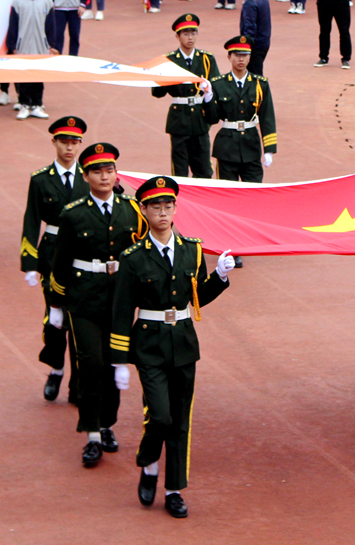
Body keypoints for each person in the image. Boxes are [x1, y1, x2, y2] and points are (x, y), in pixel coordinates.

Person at [110, 176, 234, 519]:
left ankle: (174, 488)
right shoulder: (133, 257)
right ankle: (149, 463)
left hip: (182, 342)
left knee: (180, 420)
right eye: (155, 207)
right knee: (160, 415)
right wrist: (119, 360)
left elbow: (197, 300)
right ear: (144, 210)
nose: (163, 212)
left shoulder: (192, 249)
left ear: (176, 209)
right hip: (148, 344)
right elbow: (122, 311)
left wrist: (219, 278)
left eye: (168, 206)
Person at [50, 143, 145, 468]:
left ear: (116, 174)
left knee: (113, 365)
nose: (104, 176)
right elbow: (60, 262)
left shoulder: (131, 210)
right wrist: (56, 304)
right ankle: (91, 434)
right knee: (90, 365)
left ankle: (107, 425)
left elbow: (142, 252)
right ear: (86, 176)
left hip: (119, 300)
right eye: (97, 171)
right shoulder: (73, 213)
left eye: (109, 170)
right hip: (84, 298)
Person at [21, 116, 90, 404]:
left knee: (79, 322)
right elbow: (31, 219)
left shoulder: (90, 176)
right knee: (55, 320)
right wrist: (29, 262)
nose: (70, 148)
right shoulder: (40, 179)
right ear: (54, 142)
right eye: (64, 142)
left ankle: (76, 383)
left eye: (75, 142)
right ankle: (57, 369)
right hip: (51, 255)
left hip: (82, 256)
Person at [203, 36, 277, 185]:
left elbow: (267, 117)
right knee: (227, 194)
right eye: (237, 55)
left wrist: (269, 149)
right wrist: (208, 96)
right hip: (226, 148)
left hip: (251, 145)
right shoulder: (218, 84)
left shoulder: (260, 84)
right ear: (229, 57)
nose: (241, 59)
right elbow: (212, 118)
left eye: (244, 55)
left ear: (250, 57)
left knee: (254, 193)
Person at [152, 14, 219, 178]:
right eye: (186, 34)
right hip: (179, 119)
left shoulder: (206, 58)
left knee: (203, 170)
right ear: (177, 36)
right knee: (180, 171)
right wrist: (163, 76)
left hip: (199, 118)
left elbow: (216, 87)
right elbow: (157, 93)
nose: (190, 37)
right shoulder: (169, 61)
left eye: (193, 33)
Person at [7, 0, 55, 120]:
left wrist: (53, 45)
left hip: (41, 45)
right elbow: (13, 25)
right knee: (24, 76)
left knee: (38, 75)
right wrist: (12, 45)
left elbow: (51, 25)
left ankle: (37, 105)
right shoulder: (17, 1)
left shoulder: (47, 0)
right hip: (23, 46)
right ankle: (24, 105)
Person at [238, 0, 272, 75]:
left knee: (254, 77)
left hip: (255, 47)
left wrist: (245, 49)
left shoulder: (250, 1)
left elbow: (249, 28)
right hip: (263, 42)